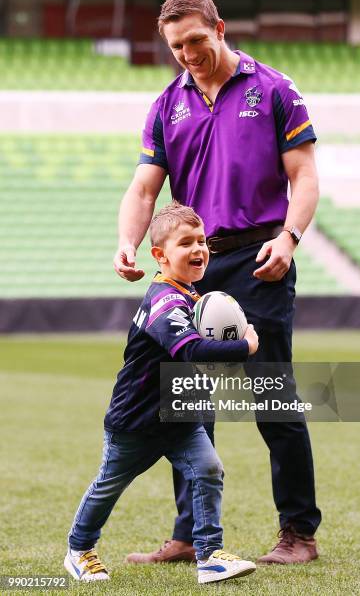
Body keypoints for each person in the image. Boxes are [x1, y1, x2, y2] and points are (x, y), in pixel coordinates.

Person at [114, 0, 322, 565]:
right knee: (188, 404)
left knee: (271, 397)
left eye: (196, 41)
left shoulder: (275, 90)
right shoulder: (165, 104)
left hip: (260, 259)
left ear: (220, 28)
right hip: (191, 269)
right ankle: (189, 535)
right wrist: (129, 241)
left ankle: (298, 534)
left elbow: (303, 176)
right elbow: (144, 188)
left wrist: (289, 237)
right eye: (176, 46)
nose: (186, 54)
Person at [64, 202, 258, 584]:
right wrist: (245, 346)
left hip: (180, 417)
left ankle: (209, 556)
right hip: (137, 420)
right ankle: (79, 550)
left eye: (202, 240)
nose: (198, 249)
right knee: (109, 485)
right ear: (160, 255)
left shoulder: (191, 296)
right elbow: (190, 350)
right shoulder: (164, 299)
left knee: (208, 470)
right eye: (186, 242)